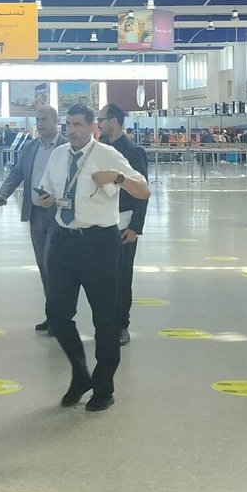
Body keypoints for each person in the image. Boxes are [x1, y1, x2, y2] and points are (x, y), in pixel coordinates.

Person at [34, 104, 150, 412]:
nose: (71, 130)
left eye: (78, 125)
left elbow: (144, 190)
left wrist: (118, 178)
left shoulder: (108, 155)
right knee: (57, 313)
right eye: (68, 124)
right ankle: (80, 373)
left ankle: (104, 385)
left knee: (105, 318)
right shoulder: (58, 155)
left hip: (99, 243)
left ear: (92, 128)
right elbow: (46, 192)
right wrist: (45, 200)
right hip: (63, 241)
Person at [0, 106, 66, 333]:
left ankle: (60, 318)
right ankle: (52, 315)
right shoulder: (30, 147)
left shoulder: (66, 147)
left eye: (44, 119)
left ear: (55, 120)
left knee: (53, 265)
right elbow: (17, 173)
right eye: (38, 120)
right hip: (36, 215)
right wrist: (3, 194)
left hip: (59, 216)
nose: (40, 123)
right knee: (43, 267)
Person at [98, 104, 149, 348]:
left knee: (122, 275)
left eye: (102, 119)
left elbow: (142, 192)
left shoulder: (133, 151)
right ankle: (105, 324)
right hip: (101, 221)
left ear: (115, 121)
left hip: (125, 222)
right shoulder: (100, 149)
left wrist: (135, 228)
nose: (99, 124)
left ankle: (121, 325)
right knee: (102, 277)